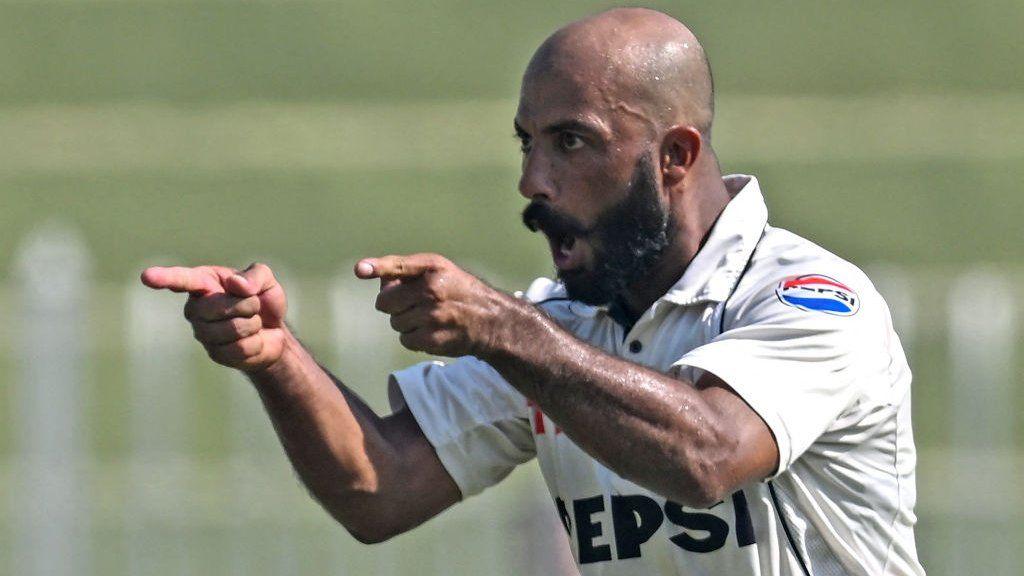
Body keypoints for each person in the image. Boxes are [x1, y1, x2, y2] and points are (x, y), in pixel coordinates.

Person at [141, 7, 924, 575]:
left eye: (571, 142)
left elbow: (709, 454)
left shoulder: (813, 298)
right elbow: (379, 490)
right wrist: (275, 358)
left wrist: (501, 327)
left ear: (675, 157)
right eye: (527, 141)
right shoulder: (561, 325)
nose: (531, 182)